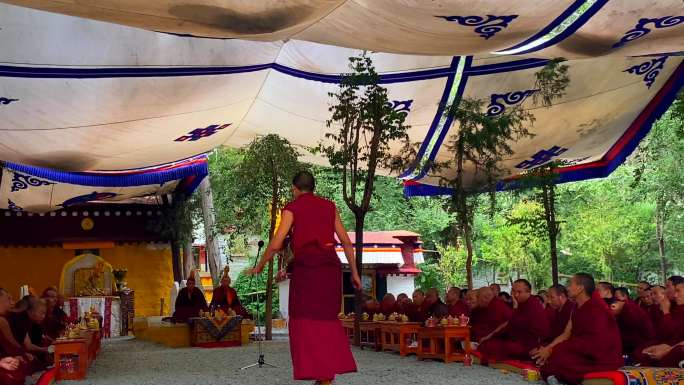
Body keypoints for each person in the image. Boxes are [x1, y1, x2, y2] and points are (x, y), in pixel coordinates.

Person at [246, 171, 360, 385]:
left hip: (308, 270)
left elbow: (276, 243)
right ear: (313, 187)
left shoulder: (292, 208)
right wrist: (354, 273)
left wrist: (260, 266)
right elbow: (345, 241)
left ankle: (320, 372)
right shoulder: (329, 207)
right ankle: (326, 374)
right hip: (329, 269)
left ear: (294, 188)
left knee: (304, 320)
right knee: (327, 319)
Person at [533, 273, 622, 385]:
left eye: (570, 284)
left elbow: (597, 343)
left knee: (560, 356)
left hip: (601, 357)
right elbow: (566, 333)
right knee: (556, 355)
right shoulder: (576, 307)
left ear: (580, 288)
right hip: (582, 351)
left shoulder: (597, 308)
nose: (567, 288)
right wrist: (548, 348)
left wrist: (553, 349)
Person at [478, 279, 550, 363]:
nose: (515, 295)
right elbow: (510, 324)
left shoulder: (534, 305)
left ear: (528, 292)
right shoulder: (521, 305)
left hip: (528, 345)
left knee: (495, 347)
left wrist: (538, 346)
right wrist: (491, 336)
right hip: (516, 340)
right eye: (513, 291)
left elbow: (543, 331)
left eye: (519, 292)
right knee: (490, 344)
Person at [635, 280, 684, 367]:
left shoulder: (671, 307)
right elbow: (665, 334)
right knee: (642, 352)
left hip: (676, 347)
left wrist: (668, 349)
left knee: (676, 352)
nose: (675, 295)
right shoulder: (673, 306)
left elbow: (671, 332)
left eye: (678, 291)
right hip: (670, 342)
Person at [7, 296, 50, 371]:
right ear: (31, 311)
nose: (43, 316)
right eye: (41, 313)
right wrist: (45, 349)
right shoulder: (21, 319)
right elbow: (28, 346)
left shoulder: (26, 318)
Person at [0, 288, 28, 385]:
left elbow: (7, 344)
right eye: (8, 299)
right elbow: (11, 343)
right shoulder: (1, 320)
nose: (12, 303)